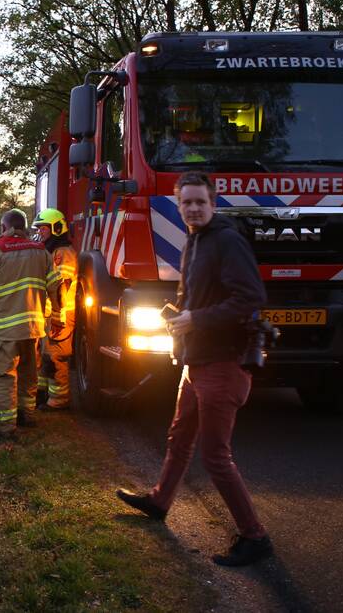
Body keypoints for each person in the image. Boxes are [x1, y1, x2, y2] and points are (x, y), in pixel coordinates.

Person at [114, 172, 273, 567]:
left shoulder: (226, 241)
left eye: (201, 202)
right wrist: (183, 322)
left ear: (213, 204)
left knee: (216, 455)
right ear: (179, 205)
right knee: (179, 437)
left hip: (223, 363)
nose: (194, 208)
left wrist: (196, 319)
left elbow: (251, 298)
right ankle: (159, 501)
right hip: (195, 361)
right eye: (187, 203)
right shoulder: (195, 240)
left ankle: (255, 537)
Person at [0, 209, 62, 441]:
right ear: (25, 228)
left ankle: (4, 427)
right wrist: (57, 315)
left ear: (3, 227)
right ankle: (27, 415)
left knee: (2, 375)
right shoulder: (41, 252)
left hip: (5, 328)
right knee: (29, 373)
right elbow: (55, 286)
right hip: (33, 327)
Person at [32, 208, 77, 410]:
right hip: (51, 313)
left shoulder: (63, 253)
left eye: (43, 228)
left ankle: (59, 401)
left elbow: (61, 287)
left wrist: (59, 317)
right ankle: (42, 393)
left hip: (61, 314)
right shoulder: (52, 251)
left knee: (56, 356)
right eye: (39, 229)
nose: (40, 232)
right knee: (45, 354)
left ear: (57, 228)